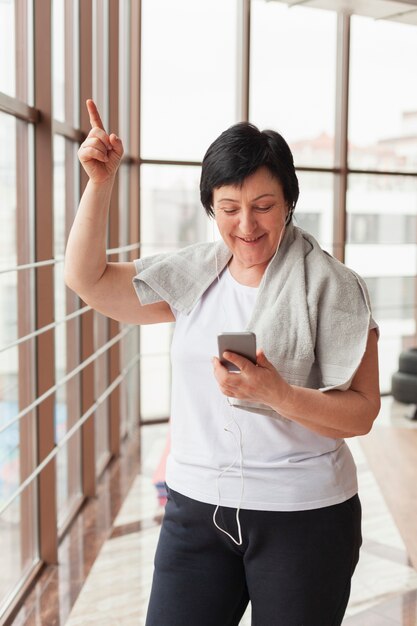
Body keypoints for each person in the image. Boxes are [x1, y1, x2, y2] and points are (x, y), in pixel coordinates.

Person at [65, 100, 380, 626]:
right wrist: (99, 184)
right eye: (229, 207)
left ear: (289, 203)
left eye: (263, 205)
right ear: (212, 208)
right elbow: (87, 280)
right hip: (195, 512)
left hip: (304, 516)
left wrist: (276, 395)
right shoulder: (190, 279)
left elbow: (363, 413)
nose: (246, 224)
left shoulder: (335, 287)